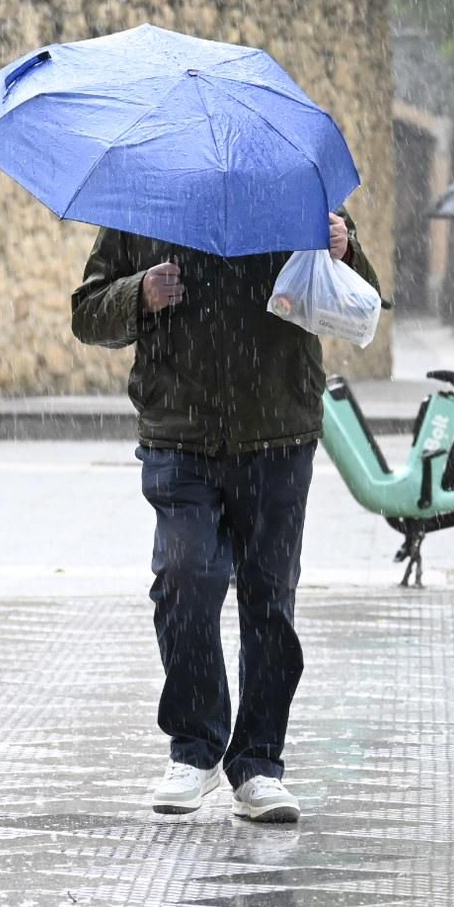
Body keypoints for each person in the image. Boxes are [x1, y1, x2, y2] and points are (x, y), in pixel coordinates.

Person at [71, 210, 379, 824]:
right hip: (177, 434)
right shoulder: (149, 198)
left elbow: (363, 299)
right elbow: (88, 312)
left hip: (278, 434)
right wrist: (140, 293)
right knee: (185, 577)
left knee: (269, 601)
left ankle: (259, 764)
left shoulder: (294, 193)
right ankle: (194, 747)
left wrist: (345, 250)